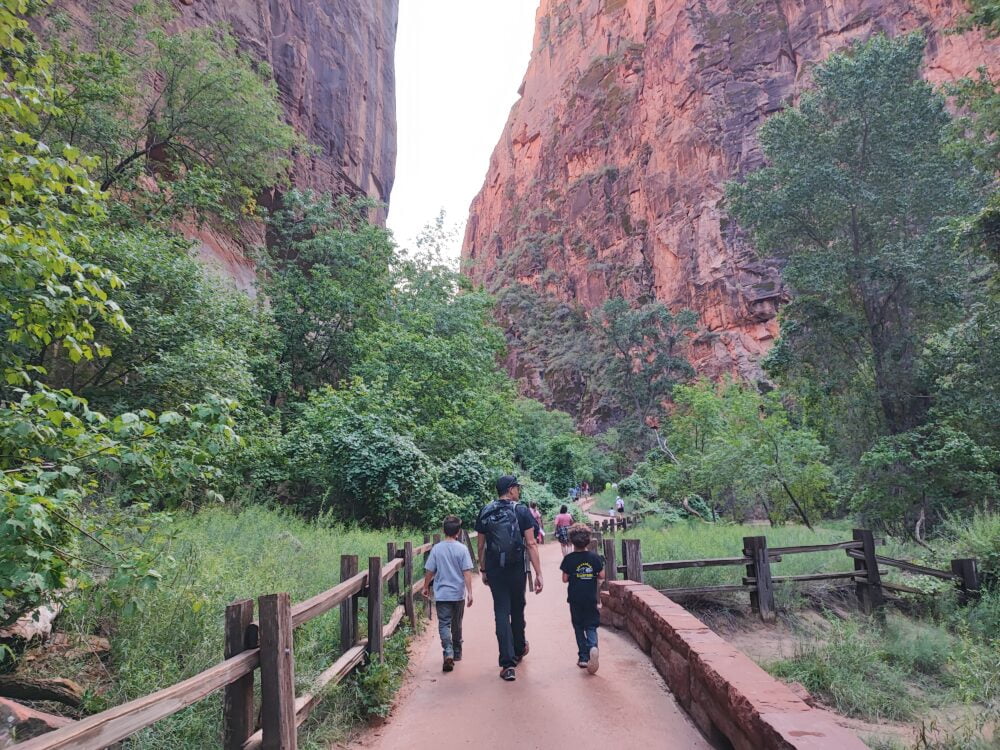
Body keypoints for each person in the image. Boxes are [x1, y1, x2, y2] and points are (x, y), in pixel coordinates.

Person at [476, 475, 543, 682]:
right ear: (511, 489)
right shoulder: (521, 510)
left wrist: (484, 569)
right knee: (517, 608)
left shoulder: (485, 511)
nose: (519, 492)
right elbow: (531, 544)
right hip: (516, 569)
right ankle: (519, 647)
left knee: (501, 612)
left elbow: (481, 545)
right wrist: (539, 573)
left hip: (496, 569)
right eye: (517, 488)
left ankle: (507, 664)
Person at [422, 515, 474, 672]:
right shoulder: (462, 549)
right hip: (458, 594)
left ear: (443, 530)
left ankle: (448, 652)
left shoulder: (437, 549)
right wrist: (470, 592)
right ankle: (457, 653)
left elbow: (430, 571)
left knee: (444, 624)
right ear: (458, 532)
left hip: (442, 594)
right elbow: (467, 573)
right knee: (456, 625)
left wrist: (425, 586)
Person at [559, 523, 605, 674]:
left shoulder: (569, 559)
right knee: (591, 625)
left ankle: (584, 658)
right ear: (589, 540)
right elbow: (602, 576)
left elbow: (565, 579)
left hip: (575, 599)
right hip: (591, 598)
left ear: (572, 541)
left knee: (578, 627)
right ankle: (593, 646)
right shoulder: (595, 558)